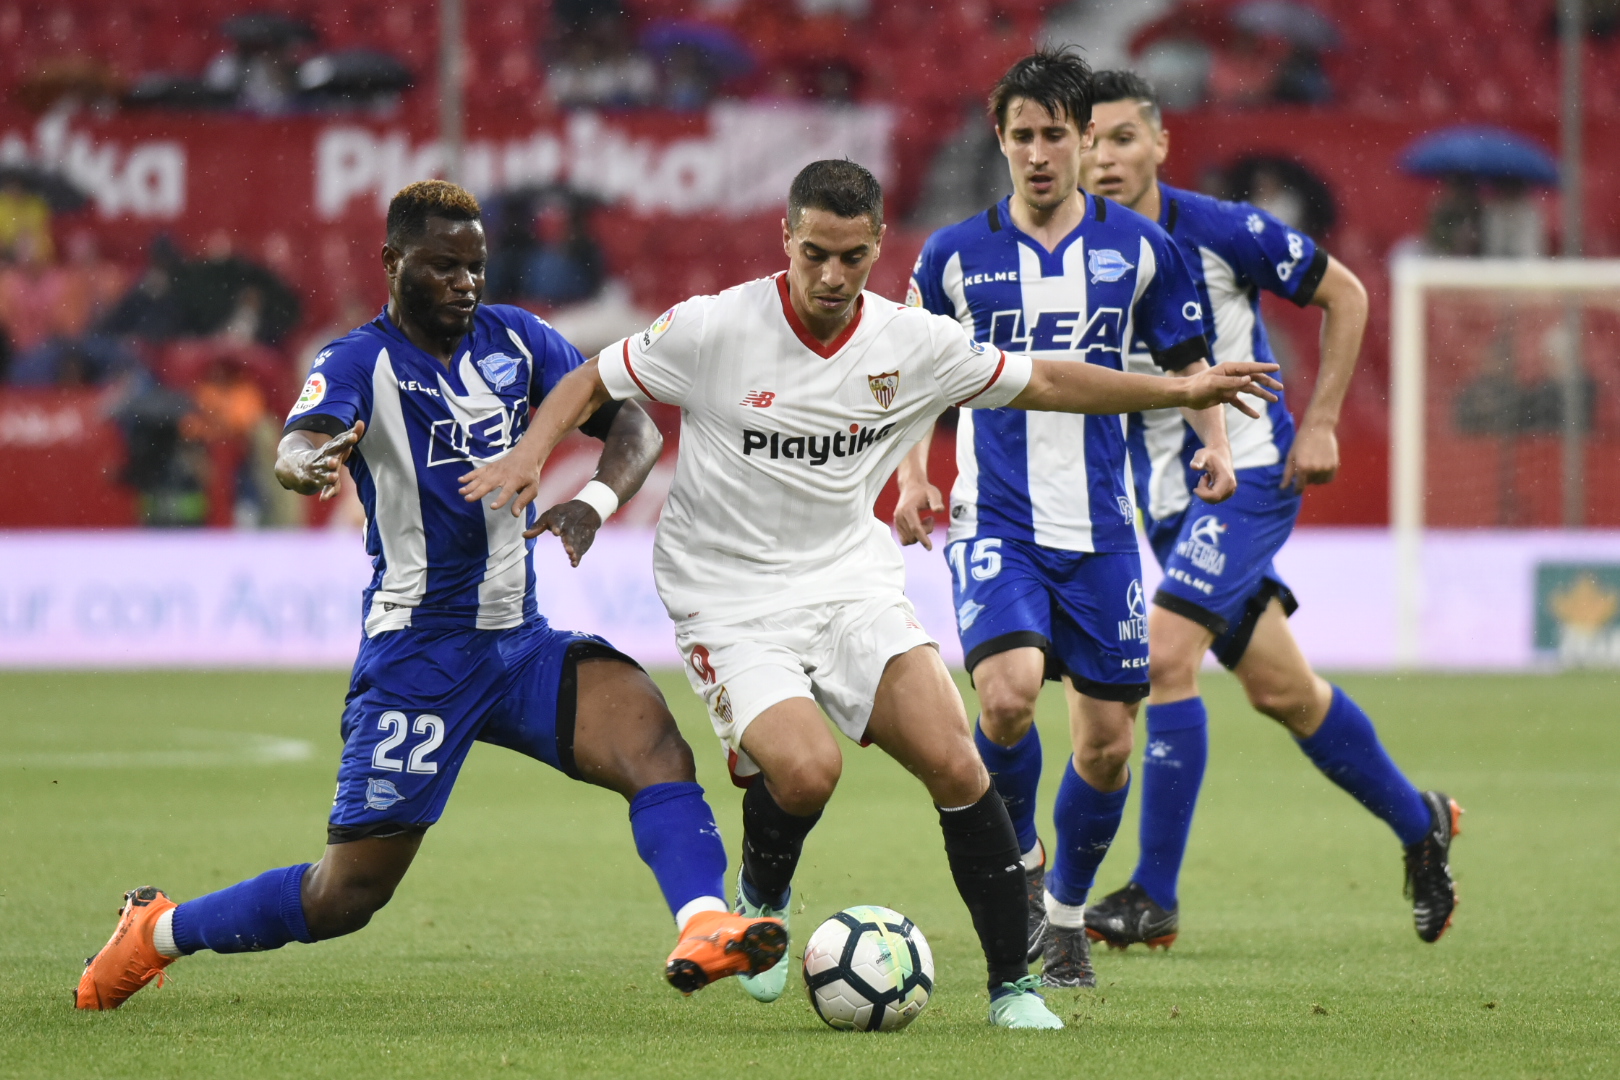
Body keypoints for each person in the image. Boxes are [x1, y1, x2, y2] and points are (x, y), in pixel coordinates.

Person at [458, 159, 1281, 1029]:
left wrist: (1179, 387)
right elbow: (593, 378)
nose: (831, 275)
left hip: (850, 581)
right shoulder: (713, 328)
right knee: (811, 770)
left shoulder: (910, 341)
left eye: (851, 257)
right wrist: (532, 458)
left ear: (878, 245)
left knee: (959, 761)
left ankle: (1014, 986)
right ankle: (764, 893)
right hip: (725, 593)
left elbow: (1044, 379)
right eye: (814, 253)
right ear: (787, 239)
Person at [74, 180, 784, 1011]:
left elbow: (631, 424)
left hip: (519, 642)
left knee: (654, 745)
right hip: (419, 655)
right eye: (443, 266)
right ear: (391, 262)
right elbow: (299, 443)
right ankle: (156, 931)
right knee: (346, 895)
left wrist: (593, 503)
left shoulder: (519, 342)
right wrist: (303, 463)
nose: (465, 283)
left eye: (476, 266)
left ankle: (702, 922)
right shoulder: (355, 361)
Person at [1076, 70, 1460, 948]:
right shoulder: (1074, 250)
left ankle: (1154, 899)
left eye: (1123, 138)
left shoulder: (1219, 229)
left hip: (1247, 477)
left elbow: (1347, 294)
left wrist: (1319, 421)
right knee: (1285, 692)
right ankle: (1419, 823)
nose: (1103, 157)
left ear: (1160, 145)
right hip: (1167, 504)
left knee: (1163, 658)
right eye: (1090, 140)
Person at [895, 48, 1238, 991]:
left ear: (1085, 140)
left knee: (1108, 741)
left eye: (1057, 134)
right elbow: (908, 378)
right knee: (1004, 696)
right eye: (1022, 136)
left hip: (1101, 530)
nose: (1040, 154)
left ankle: (1065, 917)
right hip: (993, 518)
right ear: (999, 140)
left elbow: (1189, 358)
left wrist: (1211, 441)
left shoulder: (1140, 248)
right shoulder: (952, 255)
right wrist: (913, 477)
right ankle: (1023, 856)